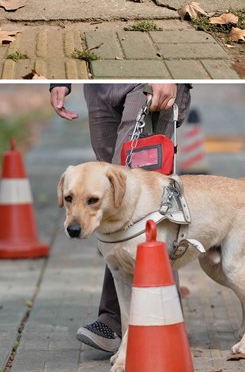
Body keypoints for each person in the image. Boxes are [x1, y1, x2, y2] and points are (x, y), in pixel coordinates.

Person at [50, 83, 192, 352]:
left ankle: (125, 321)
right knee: (103, 190)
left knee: (132, 197)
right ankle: (156, 320)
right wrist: (60, 80)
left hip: (148, 80)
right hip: (100, 87)